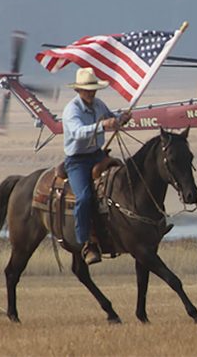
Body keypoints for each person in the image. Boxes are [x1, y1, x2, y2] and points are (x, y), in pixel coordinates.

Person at [62, 67, 131, 265]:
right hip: (78, 161)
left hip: (98, 155)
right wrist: (103, 125)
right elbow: (77, 132)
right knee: (84, 198)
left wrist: (120, 120)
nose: (91, 92)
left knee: (122, 181)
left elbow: (112, 118)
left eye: (93, 89)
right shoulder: (71, 110)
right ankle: (86, 242)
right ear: (78, 90)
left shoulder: (99, 104)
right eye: (88, 89)